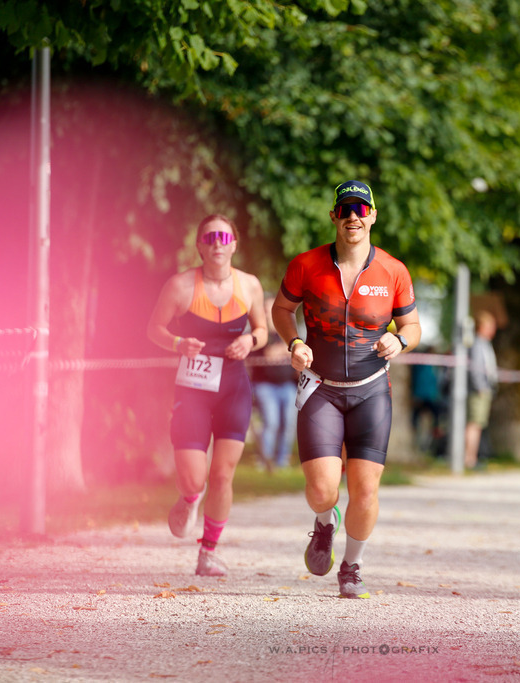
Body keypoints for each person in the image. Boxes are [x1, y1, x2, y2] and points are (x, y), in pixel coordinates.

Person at [271, 179, 420, 600]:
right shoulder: (306, 265)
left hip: (372, 390)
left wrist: (401, 340)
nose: (353, 217)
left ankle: (352, 567)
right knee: (322, 490)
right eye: (345, 209)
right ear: (334, 216)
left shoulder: (393, 270)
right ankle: (323, 523)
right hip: (321, 389)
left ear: (372, 215)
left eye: (361, 209)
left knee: (366, 489)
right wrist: (295, 341)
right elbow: (282, 309)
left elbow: (413, 325)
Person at [146, 214, 267, 577]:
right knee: (194, 478)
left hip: (233, 387)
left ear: (234, 244)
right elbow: (153, 329)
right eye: (209, 237)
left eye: (224, 237)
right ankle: (189, 499)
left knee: (223, 475)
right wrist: (178, 343)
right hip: (194, 389)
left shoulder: (249, 285)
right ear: (200, 244)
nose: (217, 243)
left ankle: (209, 552)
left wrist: (250, 340)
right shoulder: (181, 286)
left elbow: (261, 330)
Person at [251, 295, 298, 470]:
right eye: (266, 310)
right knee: (271, 422)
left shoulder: (287, 331)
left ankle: (282, 461)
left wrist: (282, 350)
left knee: (288, 423)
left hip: (287, 385)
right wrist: (284, 350)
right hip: (265, 385)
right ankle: (265, 460)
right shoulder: (259, 332)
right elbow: (268, 354)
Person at [465, 311, 499, 469]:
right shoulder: (478, 344)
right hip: (479, 390)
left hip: (482, 389)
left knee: (477, 425)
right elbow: (477, 368)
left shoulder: (484, 343)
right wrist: (481, 387)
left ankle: (471, 457)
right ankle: (469, 459)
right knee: (474, 425)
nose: (493, 329)